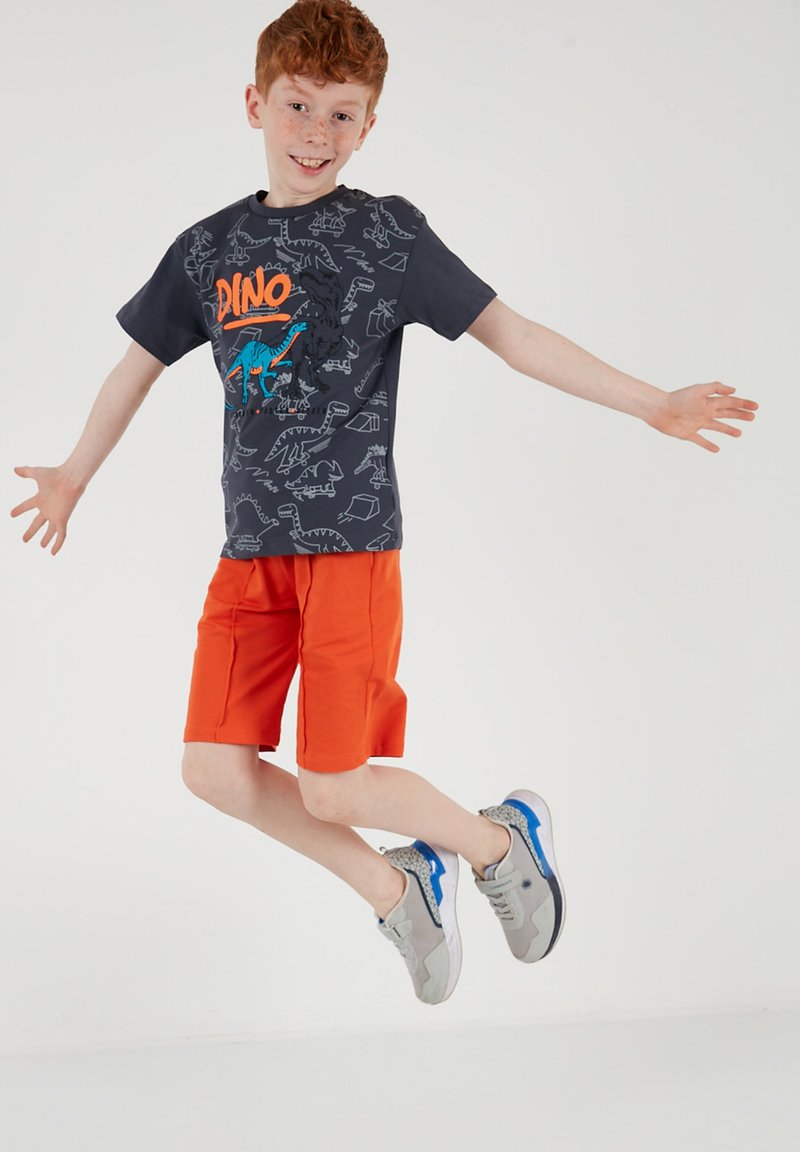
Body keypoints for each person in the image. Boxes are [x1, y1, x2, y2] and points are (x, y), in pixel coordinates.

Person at [10, 0, 758, 1006]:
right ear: (254, 103)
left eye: (341, 114)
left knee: (334, 783)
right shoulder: (208, 249)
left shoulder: (384, 235)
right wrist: (73, 473)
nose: (315, 133)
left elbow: (511, 335)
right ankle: (396, 887)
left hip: (349, 547)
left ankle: (498, 842)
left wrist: (651, 403)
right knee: (213, 769)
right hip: (248, 554)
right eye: (297, 105)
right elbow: (134, 367)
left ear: (369, 125)